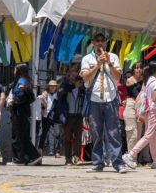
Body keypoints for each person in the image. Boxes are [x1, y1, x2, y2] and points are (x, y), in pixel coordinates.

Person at [80, 32, 127, 173]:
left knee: (114, 132)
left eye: (102, 40)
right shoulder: (87, 59)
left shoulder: (113, 56)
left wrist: (109, 63)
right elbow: (85, 78)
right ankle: (97, 162)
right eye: (97, 40)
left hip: (110, 97)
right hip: (94, 98)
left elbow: (118, 76)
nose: (100, 43)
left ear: (105, 42)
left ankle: (118, 163)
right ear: (93, 42)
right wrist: (97, 65)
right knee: (96, 132)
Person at [123, 61, 156, 170]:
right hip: (154, 110)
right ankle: (131, 154)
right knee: (149, 135)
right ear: (155, 70)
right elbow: (155, 99)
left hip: (147, 110)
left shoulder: (147, 81)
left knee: (153, 136)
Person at [8, 64, 42, 166]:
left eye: (15, 69)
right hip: (23, 113)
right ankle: (33, 156)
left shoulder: (21, 81)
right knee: (23, 136)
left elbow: (21, 96)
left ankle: (19, 159)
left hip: (19, 113)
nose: (13, 71)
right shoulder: (25, 81)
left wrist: (13, 103)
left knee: (17, 136)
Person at [124, 62, 150, 165]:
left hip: (141, 106)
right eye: (136, 68)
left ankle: (134, 157)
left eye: (140, 68)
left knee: (139, 134)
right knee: (132, 133)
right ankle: (131, 158)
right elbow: (136, 93)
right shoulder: (130, 80)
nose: (138, 70)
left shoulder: (145, 81)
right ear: (133, 70)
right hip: (131, 104)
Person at [59, 71, 85, 165]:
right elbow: (62, 92)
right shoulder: (65, 85)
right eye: (72, 75)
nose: (74, 77)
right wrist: (74, 86)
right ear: (68, 76)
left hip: (78, 115)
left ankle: (76, 157)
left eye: (76, 76)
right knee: (67, 138)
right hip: (68, 115)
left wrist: (80, 86)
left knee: (78, 137)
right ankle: (68, 158)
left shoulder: (81, 87)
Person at [38, 80, 60, 156]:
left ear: (56, 87)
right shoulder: (45, 94)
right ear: (48, 87)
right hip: (46, 115)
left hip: (55, 115)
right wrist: (42, 109)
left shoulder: (58, 94)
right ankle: (40, 149)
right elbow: (41, 103)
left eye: (54, 86)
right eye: (51, 86)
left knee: (57, 133)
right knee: (44, 133)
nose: (52, 87)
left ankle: (57, 151)